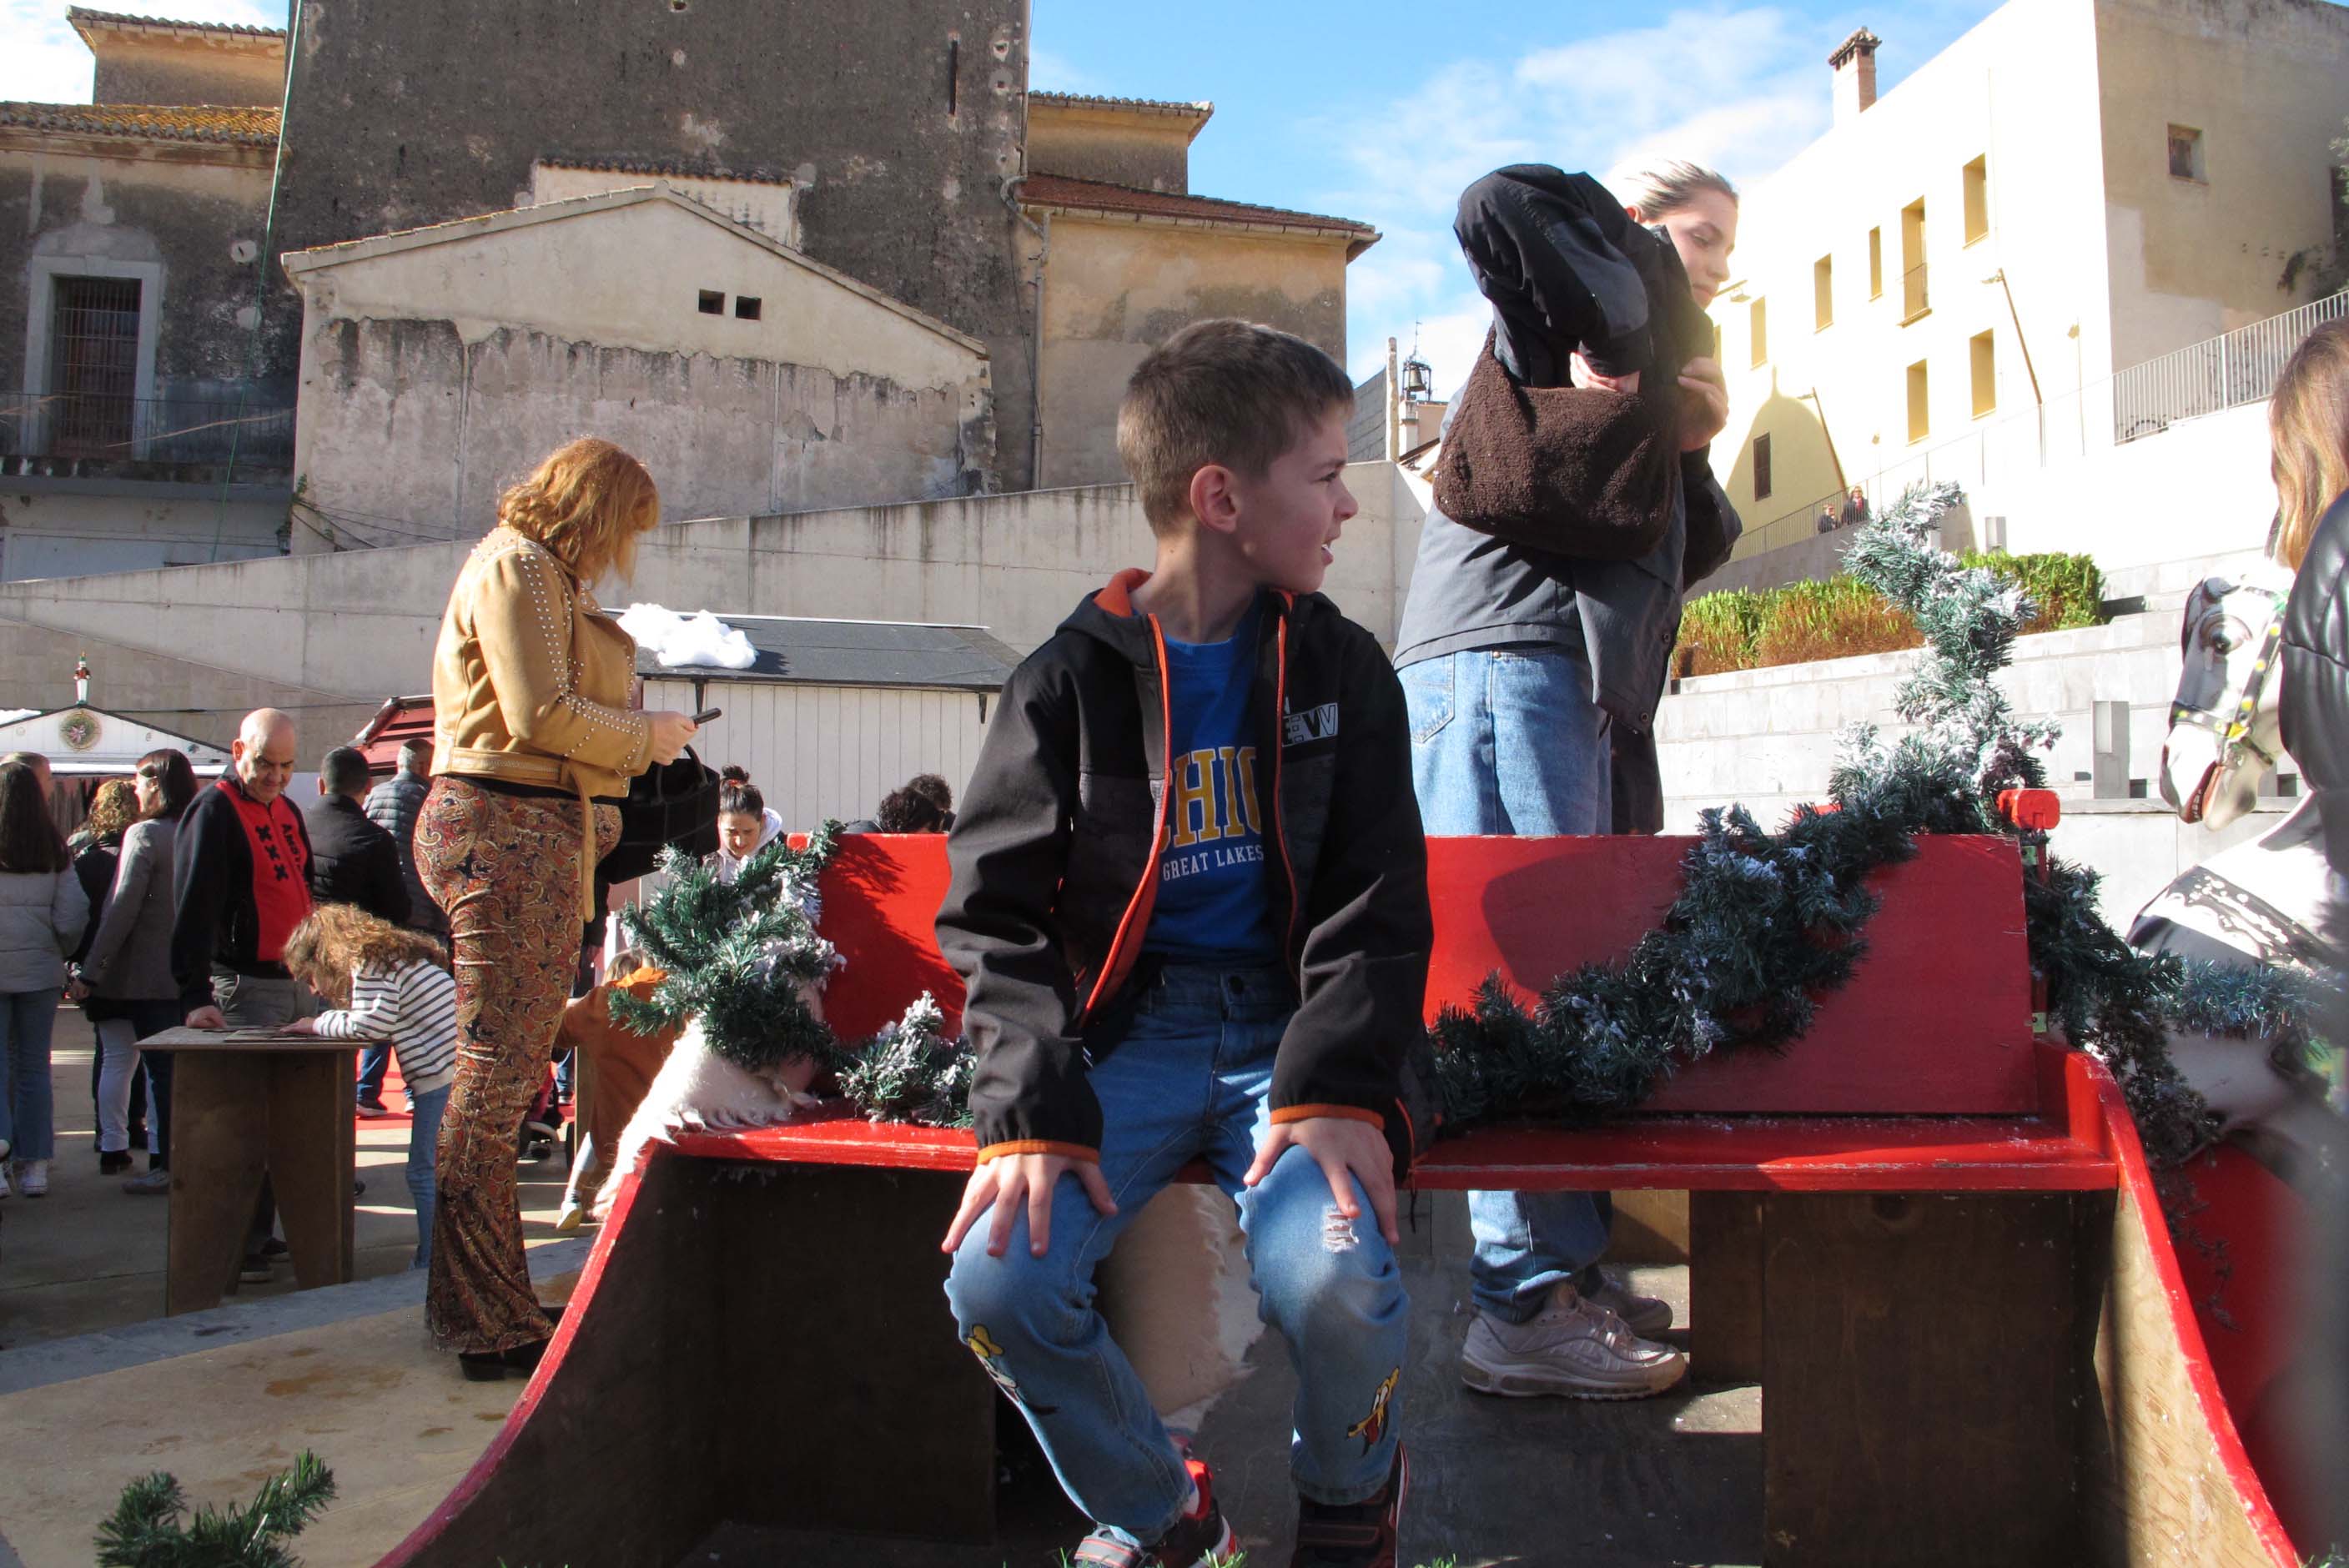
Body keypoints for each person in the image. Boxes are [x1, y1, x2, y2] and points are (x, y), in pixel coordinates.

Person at [938, 319, 1428, 1568]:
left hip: (1293, 1040)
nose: (1346, 508)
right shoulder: (1065, 684)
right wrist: (1030, 1109)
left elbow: (1375, 900)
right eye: (1325, 476)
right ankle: (1165, 1515)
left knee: (1333, 1279)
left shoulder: (1343, 667)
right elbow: (995, 917)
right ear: (1223, 498)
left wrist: (1334, 1091)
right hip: (1128, 1047)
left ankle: (1347, 1503)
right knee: (998, 1286)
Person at [1390, 160, 1748, 1399]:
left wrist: (1681, 434)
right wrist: (1631, 322)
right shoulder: (1606, 287)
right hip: (1505, 661)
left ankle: (1562, 1270)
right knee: (1522, 977)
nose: (1711, 266)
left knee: (1572, 977)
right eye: (1700, 237)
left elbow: (1669, 539)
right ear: (1647, 225)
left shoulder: (1653, 346)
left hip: (1550, 673)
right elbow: (1490, 199)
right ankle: (1519, 1302)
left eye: (1721, 251)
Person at [416, 435, 696, 1381]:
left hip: (520, 827)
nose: (624, 547)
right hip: (506, 828)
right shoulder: (521, 567)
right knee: (499, 1076)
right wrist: (644, 736)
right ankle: (480, 1312)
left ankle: (480, 1298)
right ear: (594, 506)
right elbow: (541, 715)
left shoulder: (527, 569)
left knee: (501, 1071)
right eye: (624, 525)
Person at [174, 708, 318, 1278]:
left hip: (294, 982)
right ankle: (236, 1244)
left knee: (289, 1123)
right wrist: (192, 993)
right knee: (245, 1124)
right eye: (265, 763)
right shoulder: (213, 810)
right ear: (239, 751)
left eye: (285, 766)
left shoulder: (286, 809)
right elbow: (192, 906)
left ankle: (263, 1233)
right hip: (245, 982)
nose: (275, 776)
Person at [281, 905, 457, 1269]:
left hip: (441, 1075)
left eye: (311, 976)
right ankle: (438, 1260)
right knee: (435, 1172)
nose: (315, 987)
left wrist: (318, 1023)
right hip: (450, 1069)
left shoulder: (370, 963)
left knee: (425, 1172)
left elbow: (370, 1026)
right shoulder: (389, 956)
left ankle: (432, 1263)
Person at [81, 749, 199, 1195]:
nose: (135, 790)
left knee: (139, 1066)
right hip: (188, 973)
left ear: (156, 784)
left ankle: (148, 1156)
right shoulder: (197, 829)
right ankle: (170, 1154)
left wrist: (92, 971)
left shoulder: (145, 834)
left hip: (142, 974)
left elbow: (121, 908)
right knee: (170, 1073)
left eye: (139, 781)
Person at [0, 761, 88, 1199]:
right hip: (39, 973)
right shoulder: (54, 848)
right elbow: (73, 914)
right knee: (34, 1066)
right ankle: (33, 1164)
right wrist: (60, 948)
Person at [68, 778, 144, 1172]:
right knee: (148, 1060)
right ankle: (144, 1132)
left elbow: (76, 922)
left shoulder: (86, 860)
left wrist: (78, 966)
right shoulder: (148, 851)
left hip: (101, 973)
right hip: (147, 974)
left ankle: (111, 1140)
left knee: (114, 1057)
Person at [710, 771, 781, 882]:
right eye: (731, 832)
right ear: (718, 823)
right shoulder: (701, 855)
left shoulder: (781, 854)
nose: (740, 842)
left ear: (762, 821)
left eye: (748, 832)